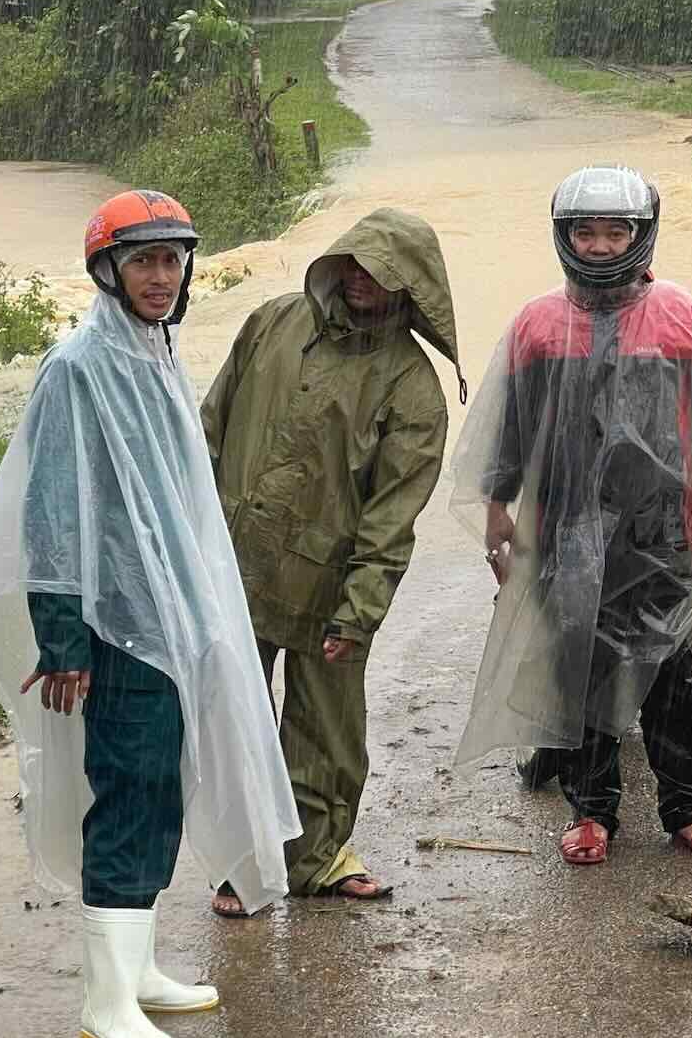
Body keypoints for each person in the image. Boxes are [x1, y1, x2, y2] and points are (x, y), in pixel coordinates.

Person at [0, 190, 300, 1038]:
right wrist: (64, 635)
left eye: (173, 259)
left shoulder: (155, 351)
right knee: (129, 788)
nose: (161, 275)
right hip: (116, 625)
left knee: (161, 786)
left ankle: (135, 968)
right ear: (107, 269)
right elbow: (54, 512)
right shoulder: (78, 366)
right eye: (143, 259)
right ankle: (104, 1003)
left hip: (170, 614)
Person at [450, 165, 692, 866]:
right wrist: (497, 506)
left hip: (666, 528)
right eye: (587, 230)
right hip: (566, 533)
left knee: (676, 675)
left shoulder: (683, 315)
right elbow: (512, 429)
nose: (603, 245)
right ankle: (591, 811)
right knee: (579, 669)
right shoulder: (539, 324)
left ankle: (686, 808)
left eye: (619, 231)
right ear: (563, 234)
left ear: (643, 235)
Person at [201, 208, 463, 913]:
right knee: (235, 722)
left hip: (329, 585)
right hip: (233, 566)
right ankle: (240, 860)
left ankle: (315, 857)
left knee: (327, 731)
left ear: (410, 286)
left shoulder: (412, 389)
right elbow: (209, 428)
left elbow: (391, 519)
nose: (358, 279)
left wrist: (360, 610)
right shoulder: (273, 322)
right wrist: (184, 545)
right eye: (351, 262)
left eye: (378, 271)